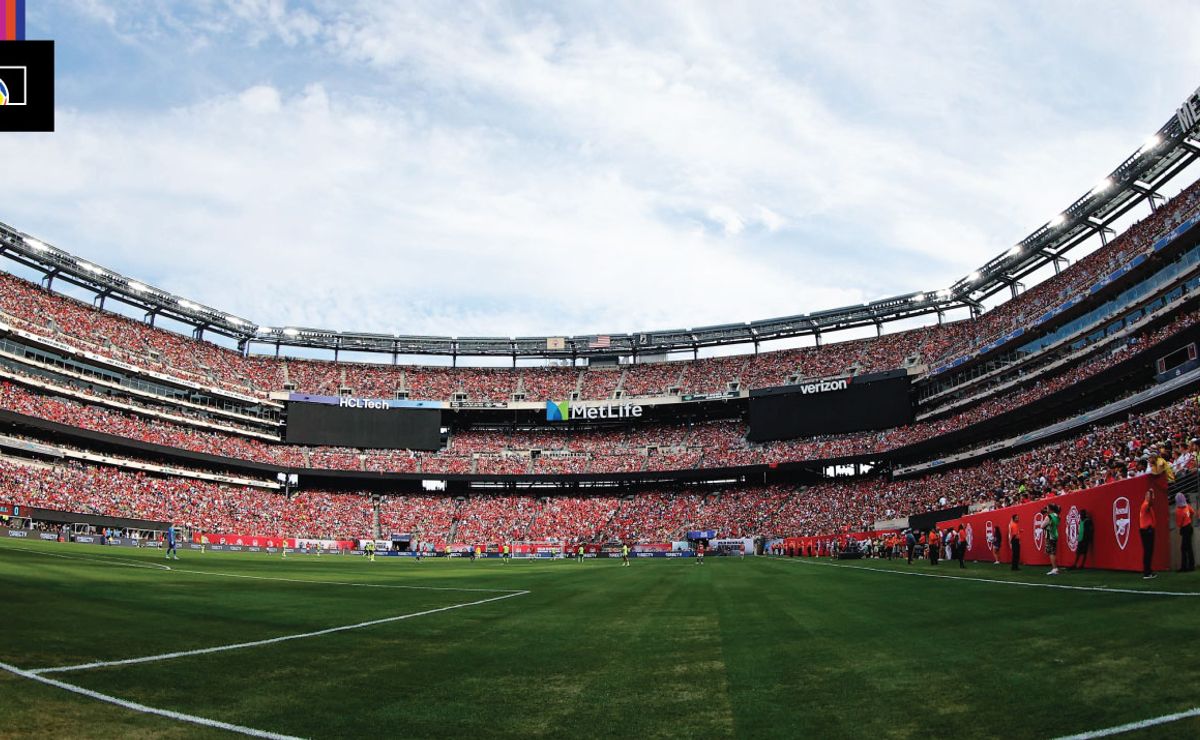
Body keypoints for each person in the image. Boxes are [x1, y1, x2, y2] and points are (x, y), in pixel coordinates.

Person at [1140, 489, 1157, 579]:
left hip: (1147, 530)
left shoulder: (1146, 505)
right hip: (1147, 530)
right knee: (1148, 551)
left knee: (1149, 551)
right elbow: (1150, 503)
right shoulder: (1146, 505)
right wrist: (1152, 493)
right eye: (1148, 495)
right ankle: (1147, 572)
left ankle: (1148, 570)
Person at [1177, 493, 1196, 572]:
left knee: (1183, 549)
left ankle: (1184, 567)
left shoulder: (1179, 510)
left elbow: (1179, 523)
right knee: (1189, 548)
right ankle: (1191, 566)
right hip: (1189, 527)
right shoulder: (1187, 506)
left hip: (1184, 529)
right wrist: (1190, 520)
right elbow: (1192, 512)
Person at [1042, 504, 1060, 575]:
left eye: (1047, 508)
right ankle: (1055, 568)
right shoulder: (1057, 516)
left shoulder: (1049, 516)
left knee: (1051, 553)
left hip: (1050, 535)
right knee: (1053, 552)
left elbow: (1042, 526)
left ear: (1050, 509)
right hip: (1055, 534)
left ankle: (1055, 569)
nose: (1046, 509)